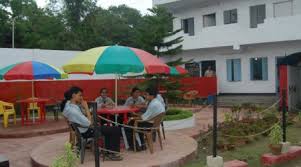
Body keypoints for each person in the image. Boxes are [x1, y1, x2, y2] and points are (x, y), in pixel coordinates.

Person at [62, 86, 122, 161]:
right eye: (80, 95)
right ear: (73, 95)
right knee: (115, 130)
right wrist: (86, 108)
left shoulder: (68, 105)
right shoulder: (74, 111)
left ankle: (109, 152)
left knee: (108, 128)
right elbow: (89, 123)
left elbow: (64, 112)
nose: (81, 97)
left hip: (81, 129)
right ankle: (111, 154)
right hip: (87, 131)